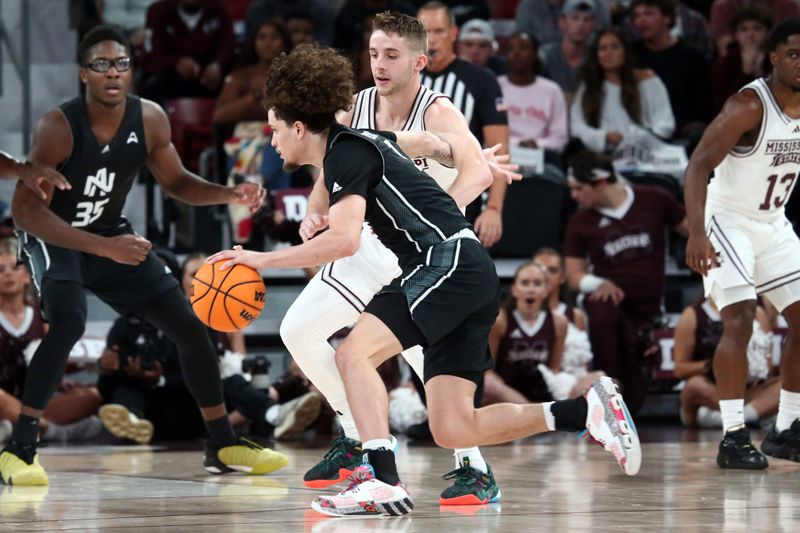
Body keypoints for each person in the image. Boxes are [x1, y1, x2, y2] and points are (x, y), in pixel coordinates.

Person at [208, 41, 641, 518]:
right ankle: (585, 412)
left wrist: (258, 260)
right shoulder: (361, 144)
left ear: (297, 126)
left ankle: (382, 480)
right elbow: (411, 145)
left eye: (272, 130)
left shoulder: (347, 153)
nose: (270, 141)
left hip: (443, 263)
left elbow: (345, 241)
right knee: (454, 427)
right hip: (465, 272)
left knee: (354, 352)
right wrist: (459, 152)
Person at [0, 25, 285, 487]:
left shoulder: (150, 118)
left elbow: (177, 182)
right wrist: (103, 246)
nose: (113, 72)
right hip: (56, 238)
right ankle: (21, 447)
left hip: (109, 235)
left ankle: (220, 441)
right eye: (101, 64)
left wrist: (229, 193)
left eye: (121, 64)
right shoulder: (59, 126)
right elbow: (26, 212)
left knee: (191, 328)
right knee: (69, 321)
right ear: (84, 74)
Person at [280, 11, 509, 505]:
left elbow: (480, 175)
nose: (379, 65)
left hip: (418, 253)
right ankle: (354, 434)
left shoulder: (438, 112)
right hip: (361, 245)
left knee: (426, 360)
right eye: (373, 54)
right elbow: (329, 166)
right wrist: (315, 212)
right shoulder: (356, 106)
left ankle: (473, 465)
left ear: (418, 62)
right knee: (297, 330)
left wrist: (437, 220)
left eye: (391, 55)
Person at [683, 17, 800, 470]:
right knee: (740, 318)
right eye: (793, 53)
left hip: (773, 222)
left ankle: (787, 428)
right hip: (726, 221)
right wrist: (696, 232)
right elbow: (697, 167)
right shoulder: (748, 106)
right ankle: (733, 435)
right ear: (773, 57)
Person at [563, 148, 688, 414]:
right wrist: (596, 283)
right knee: (602, 312)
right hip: (610, 305)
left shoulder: (655, 200)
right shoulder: (580, 221)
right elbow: (573, 276)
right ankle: (609, 398)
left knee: (637, 387)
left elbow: (693, 229)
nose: (573, 196)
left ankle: (625, 407)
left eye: (578, 188)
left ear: (601, 182)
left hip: (647, 308)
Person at [418, 2, 509, 248]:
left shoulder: (480, 80)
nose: (431, 40)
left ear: (454, 33)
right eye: (425, 32)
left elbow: (498, 148)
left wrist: (493, 208)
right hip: (408, 192)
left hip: (461, 196)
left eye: (438, 31)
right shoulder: (404, 79)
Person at [0, 238, 103, 444]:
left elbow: (54, 362)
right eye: (0, 269)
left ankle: (17, 428)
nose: (8, 274)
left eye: (15, 267)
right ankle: (54, 431)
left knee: (91, 395)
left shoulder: (42, 314)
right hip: (2, 398)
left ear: (28, 275)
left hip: (34, 401)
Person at [484, 262, 601, 404]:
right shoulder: (501, 320)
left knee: (599, 379)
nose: (531, 289)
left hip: (542, 393)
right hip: (508, 395)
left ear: (545, 291)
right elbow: (488, 369)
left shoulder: (559, 322)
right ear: (514, 290)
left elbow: (554, 371)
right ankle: (536, 414)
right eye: (525, 283)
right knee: (488, 383)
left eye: (537, 284)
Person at [674, 297, 779, 429]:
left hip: (751, 391)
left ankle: (735, 420)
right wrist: (716, 364)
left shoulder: (758, 313)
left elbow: (768, 366)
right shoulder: (693, 314)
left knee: (789, 385)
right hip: (714, 392)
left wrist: (754, 364)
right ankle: (753, 415)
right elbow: (679, 369)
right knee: (694, 386)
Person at [570, 29, 675, 153]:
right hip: (604, 155)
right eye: (603, 48)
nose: (608, 52)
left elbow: (666, 123)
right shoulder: (588, 88)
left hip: (646, 152)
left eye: (614, 47)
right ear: (596, 55)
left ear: (625, 51)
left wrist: (640, 136)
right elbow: (576, 127)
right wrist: (603, 136)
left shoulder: (648, 82)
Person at [630, 0, 710, 141]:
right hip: (640, 129)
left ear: (667, 18)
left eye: (648, 13)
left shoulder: (692, 57)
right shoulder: (629, 56)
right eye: (637, 16)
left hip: (683, 131)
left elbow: (702, 109)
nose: (641, 20)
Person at [139, 0, 235, 103]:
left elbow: (228, 47)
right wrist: (176, 63)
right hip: (170, 78)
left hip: (210, 77)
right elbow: (150, 55)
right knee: (153, 85)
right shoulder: (158, 11)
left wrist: (218, 65)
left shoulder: (219, 9)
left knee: (232, 84)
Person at [498, 32, 569, 156]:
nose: (516, 53)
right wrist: (515, 145)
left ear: (535, 54)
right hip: (501, 154)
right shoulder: (494, 86)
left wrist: (538, 144)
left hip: (543, 155)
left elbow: (560, 137)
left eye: (523, 48)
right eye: (511, 49)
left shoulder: (552, 90)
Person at [710, 5, 772, 114]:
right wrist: (745, 73)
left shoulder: (776, 61)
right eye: (744, 29)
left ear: (767, 32)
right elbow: (723, 108)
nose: (750, 35)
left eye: (756, 28)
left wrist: (760, 73)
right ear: (736, 35)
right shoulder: (724, 64)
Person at [537, 0, 598, 103]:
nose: (580, 24)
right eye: (575, 18)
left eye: (587, 19)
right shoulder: (545, 56)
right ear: (562, 22)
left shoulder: (597, 57)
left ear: (594, 24)